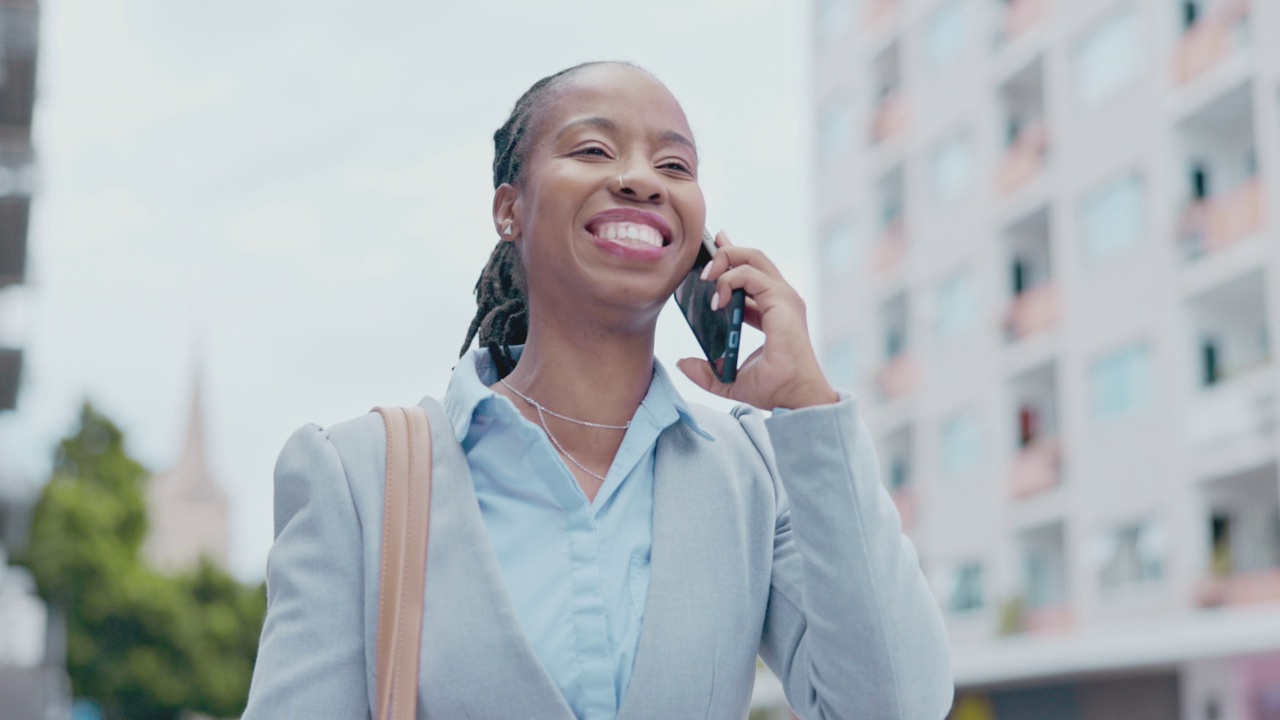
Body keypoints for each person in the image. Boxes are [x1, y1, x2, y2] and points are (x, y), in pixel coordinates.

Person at [242, 61, 953, 720]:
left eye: (674, 164)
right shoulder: (359, 477)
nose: (642, 180)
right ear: (509, 210)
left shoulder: (758, 475)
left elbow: (896, 707)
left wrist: (808, 407)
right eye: (593, 150)